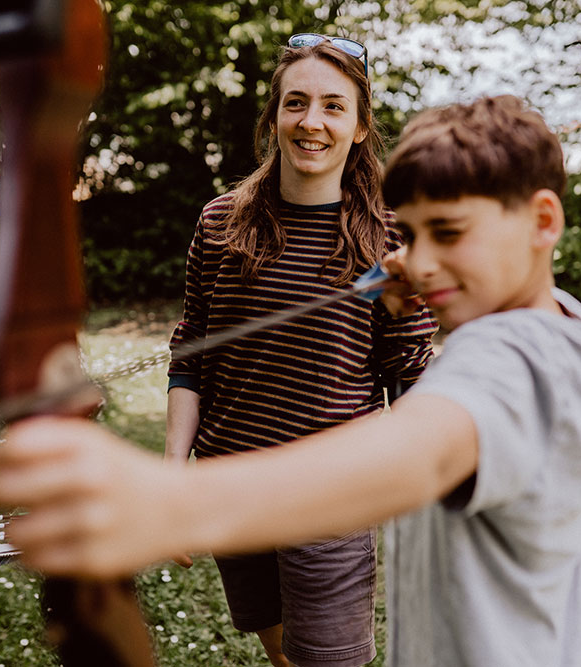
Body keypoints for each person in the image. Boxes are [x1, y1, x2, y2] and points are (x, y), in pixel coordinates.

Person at [0, 95, 581, 667]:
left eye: (449, 232)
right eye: (411, 235)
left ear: (543, 222)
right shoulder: (559, 328)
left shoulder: (515, 360)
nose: (420, 261)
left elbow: (417, 457)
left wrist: (168, 501)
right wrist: (440, 275)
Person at [163, 33, 436, 667]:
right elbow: (191, 353)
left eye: (334, 106)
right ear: (274, 116)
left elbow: (408, 369)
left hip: (331, 491)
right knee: (279, 647)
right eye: (296, 102)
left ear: (360, 127)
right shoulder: (220, 223)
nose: (312, 121)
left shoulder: (389, 240)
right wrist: (175, 468)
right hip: (231, 481)